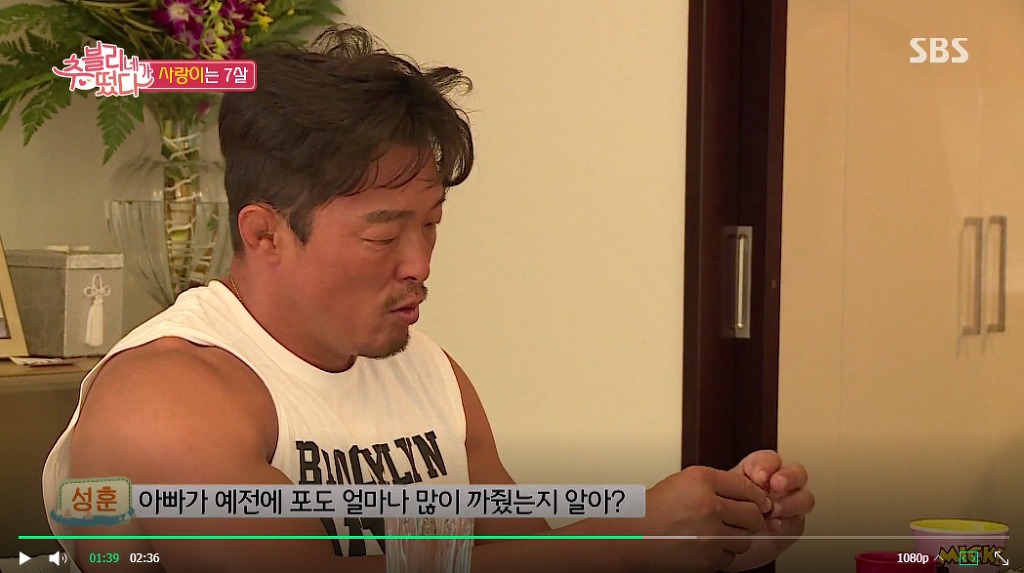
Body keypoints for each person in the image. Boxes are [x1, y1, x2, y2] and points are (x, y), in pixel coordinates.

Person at [42, 25, 814, 573]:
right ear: (265, 232)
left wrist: (718, 534)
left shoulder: (429, 372)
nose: (420, 263)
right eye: (384, 234)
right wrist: (626, 540)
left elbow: (527, 555)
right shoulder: (163, 396)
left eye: (432, 224)